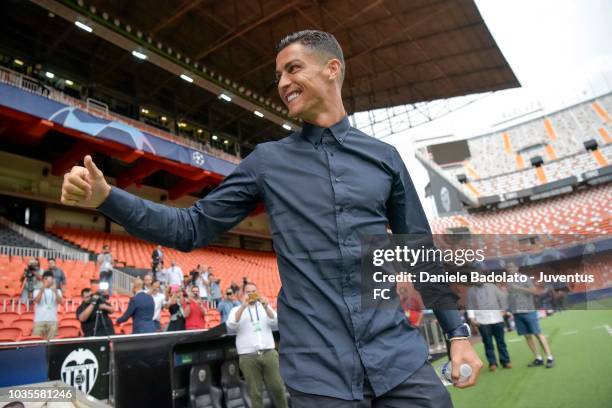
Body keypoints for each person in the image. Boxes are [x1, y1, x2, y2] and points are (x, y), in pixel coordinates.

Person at [60, 30, 481, 406]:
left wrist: (456, 332)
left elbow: (419, 251)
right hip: (319, 379)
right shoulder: (266, 162)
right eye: (278, 75)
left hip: (400, 364)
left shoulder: (385, 158)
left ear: (332, 69)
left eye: (293, 69)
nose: (282, 84)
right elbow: (190, 228)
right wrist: (107, 198)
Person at [226, 283, 287, 408]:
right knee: (255, 393)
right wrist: (243, 306)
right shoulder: (236, 310)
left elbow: (276, 322)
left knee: (278, 388)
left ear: (257, 292)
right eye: (248, 292)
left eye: (254, 291)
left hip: (269, 353)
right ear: (243, 294)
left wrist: (266, 307)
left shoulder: (264, 307)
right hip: (248, 357)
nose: (251, 294)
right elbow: (231, 325)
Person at [507, 263, 555, 368]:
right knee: (527, 336)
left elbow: (534, 291)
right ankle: (538, 358)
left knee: (538, 333)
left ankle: (550, 357)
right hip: (517, 312)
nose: (509, 269)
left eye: (511, 267)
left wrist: (519, 288)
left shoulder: (524, 278)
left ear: (517, 268)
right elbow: (510, 296)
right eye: (508, 267)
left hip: (529, 311)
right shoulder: (509, 281)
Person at [466, 282, 511, 371]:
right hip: (482, 320)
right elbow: (470, 305)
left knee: (501, 342)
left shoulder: (492, 287)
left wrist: (504, 310)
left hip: (497, 318)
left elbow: (502, 298)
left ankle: (505, 361)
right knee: (488, 343)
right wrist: (472, 318)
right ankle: (492, 363)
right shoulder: (471, 291)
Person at [32, 271, 62, 339]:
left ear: (53, 280)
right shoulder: (37, 290)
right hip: (39, 320)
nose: (47, 281)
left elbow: (60, 302)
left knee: (51, 343)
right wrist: (41, 289)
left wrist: (56, 292)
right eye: (46, 279)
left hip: (52, 320)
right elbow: (37, 301)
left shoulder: (58, 291)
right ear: (42, 280)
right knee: (37, 342)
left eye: (49, 279)